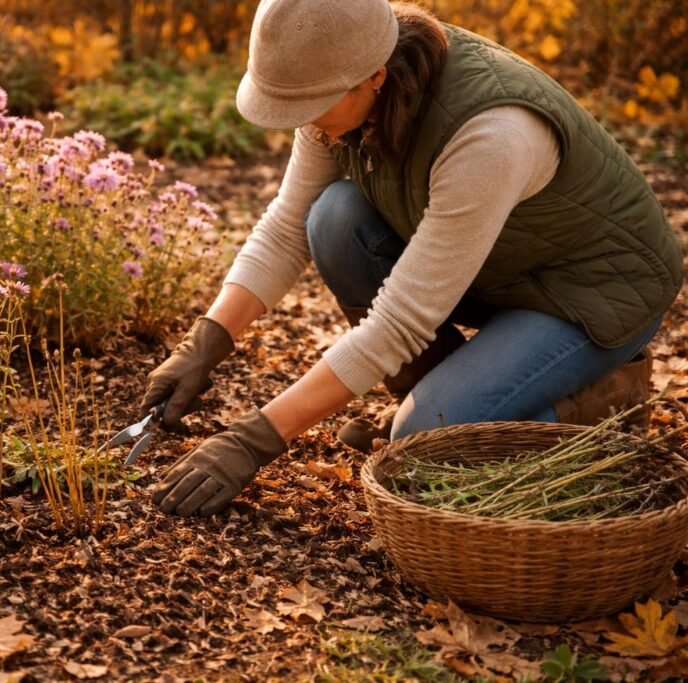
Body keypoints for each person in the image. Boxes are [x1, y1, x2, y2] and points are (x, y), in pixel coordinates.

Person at [142, 0, 684, 517]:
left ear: (374, 77)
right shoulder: (334, 83)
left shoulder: (491, 133)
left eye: (308, 108)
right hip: (499, 267)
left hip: (593, 292)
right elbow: (288, 227)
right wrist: (206, 341)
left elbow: (400, 320)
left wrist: (254, 439)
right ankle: (447, 392)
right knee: (334, 218)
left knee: (424, 442)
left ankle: (600, 405)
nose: (299, 122)